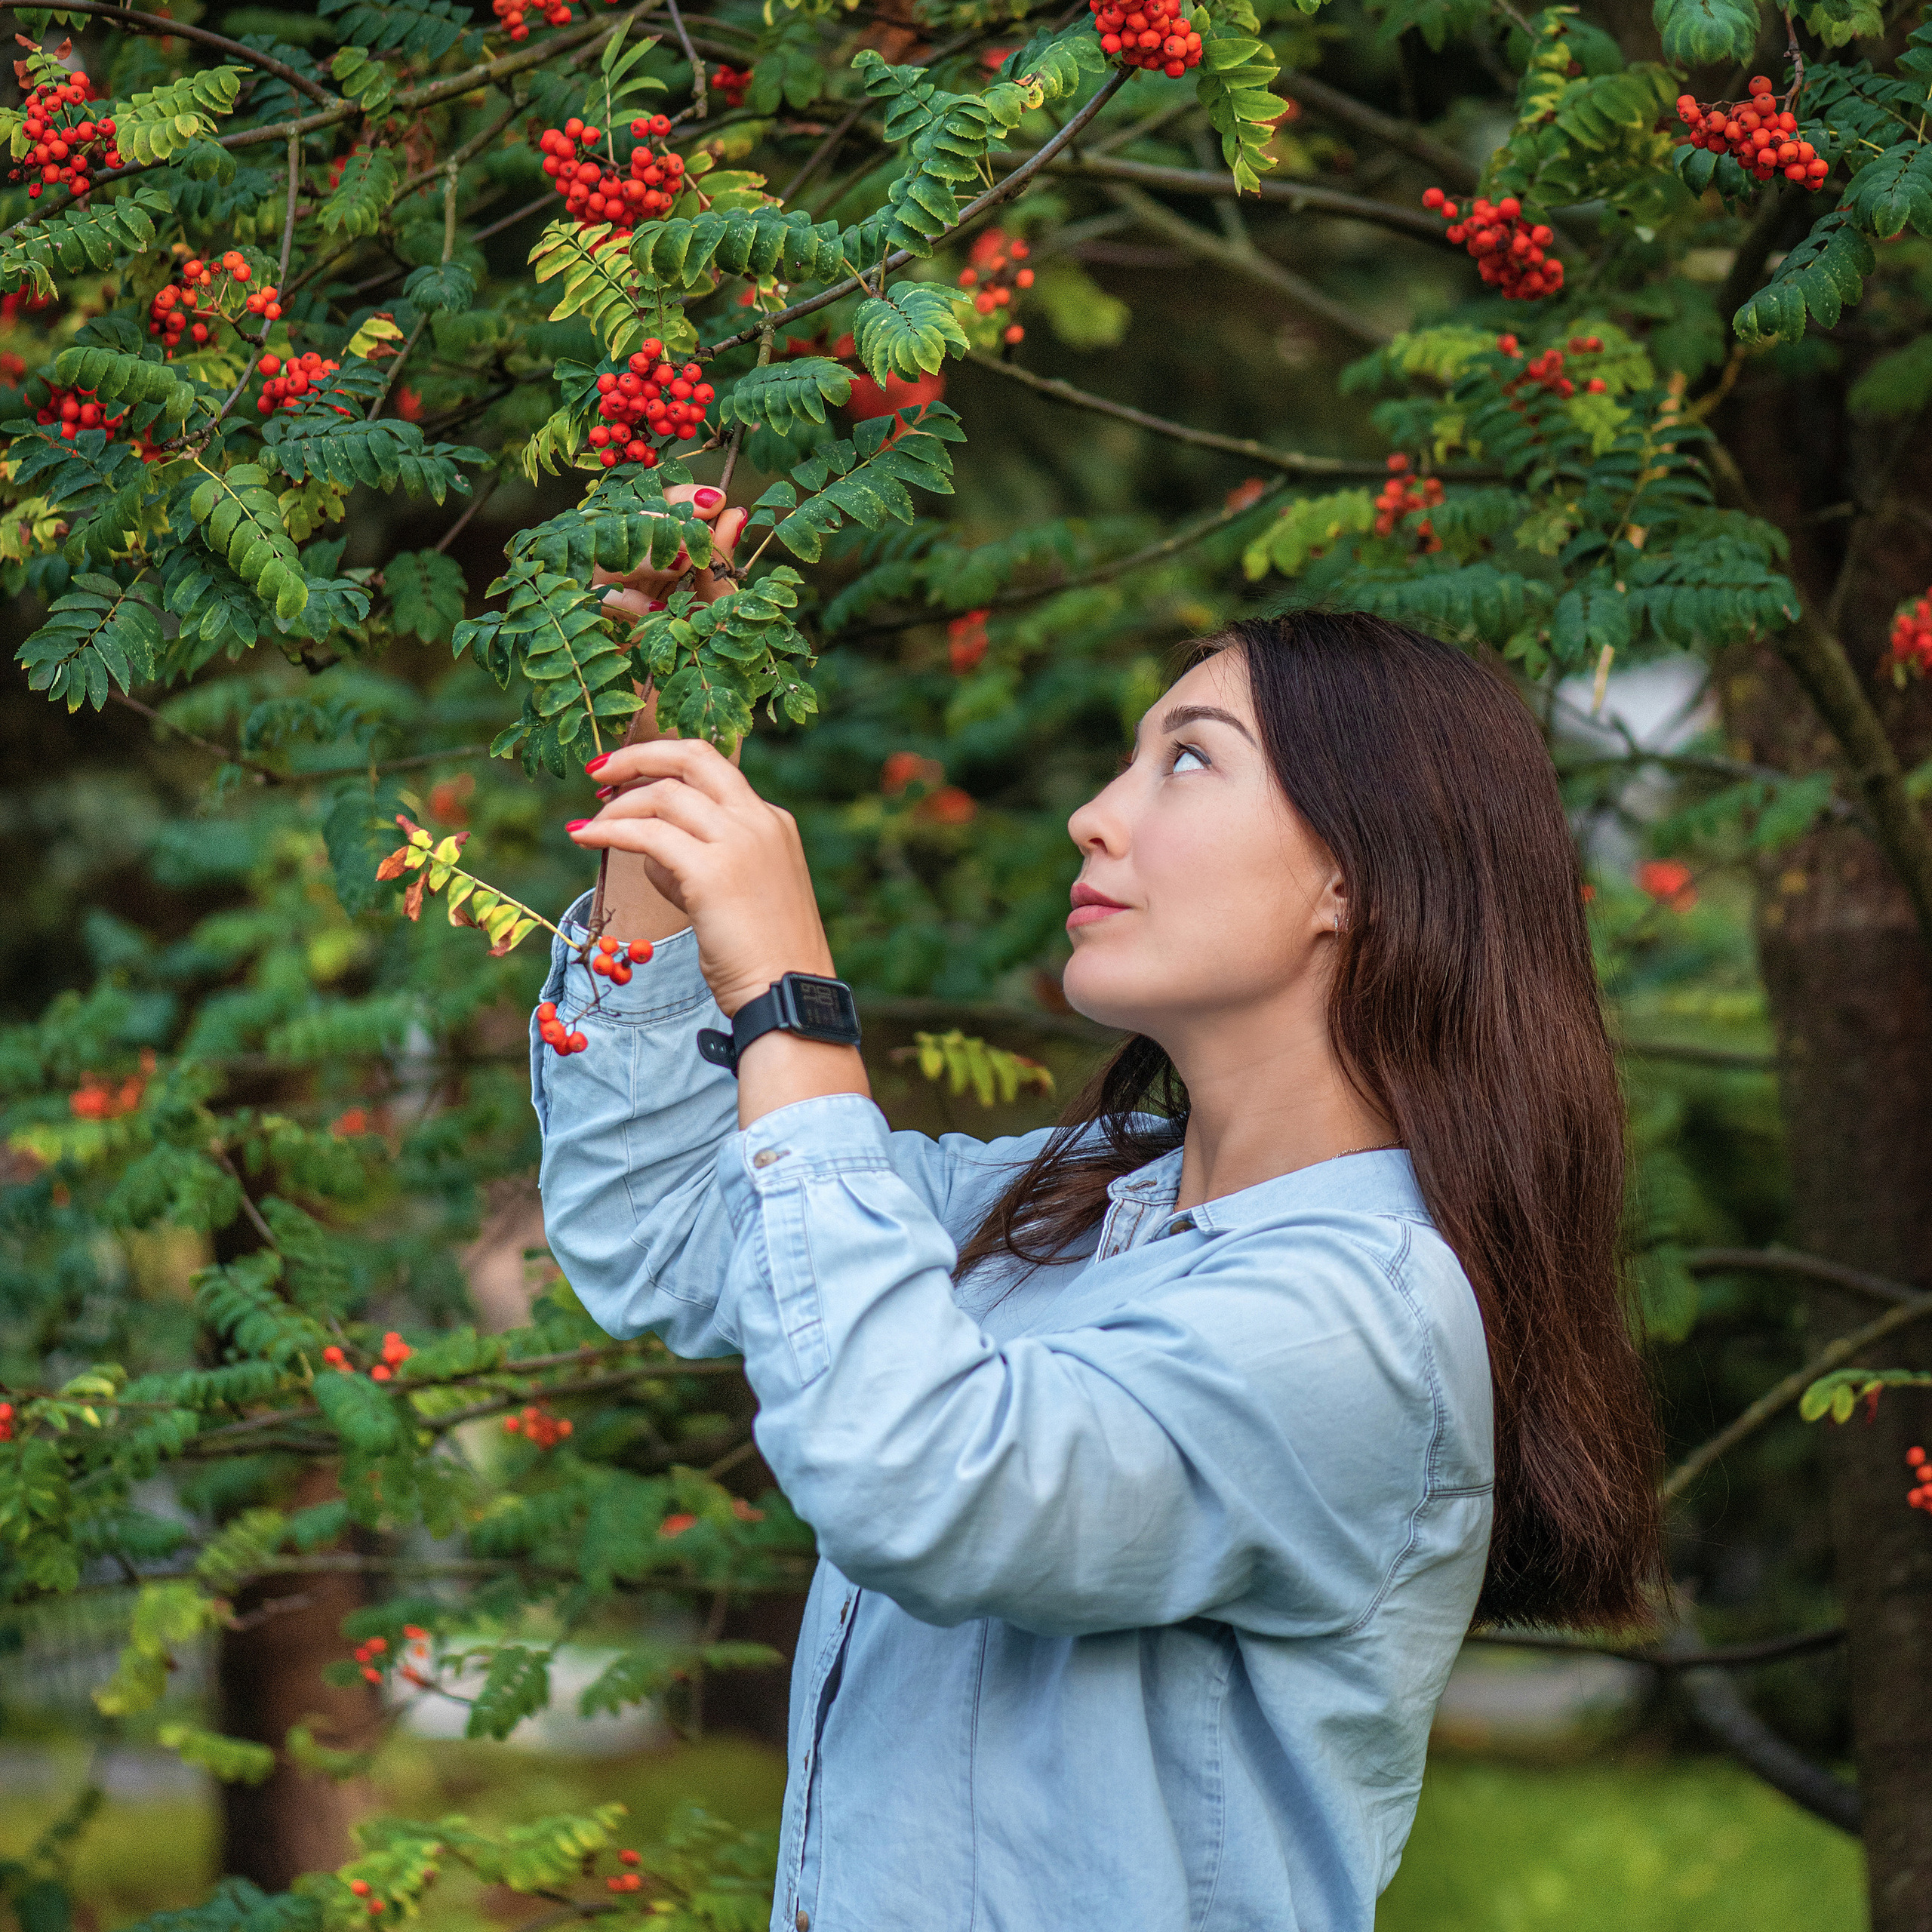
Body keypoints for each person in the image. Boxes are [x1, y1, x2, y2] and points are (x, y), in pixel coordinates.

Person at [533, 487, 1662, 1932]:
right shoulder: (1064, 1209)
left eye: (1188, 760)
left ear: (1357, 878)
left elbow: (918, 1479)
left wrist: (791, 1002)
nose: (1096, 813)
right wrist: (667, 802)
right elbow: (665, 1230)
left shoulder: (1361, 1317)